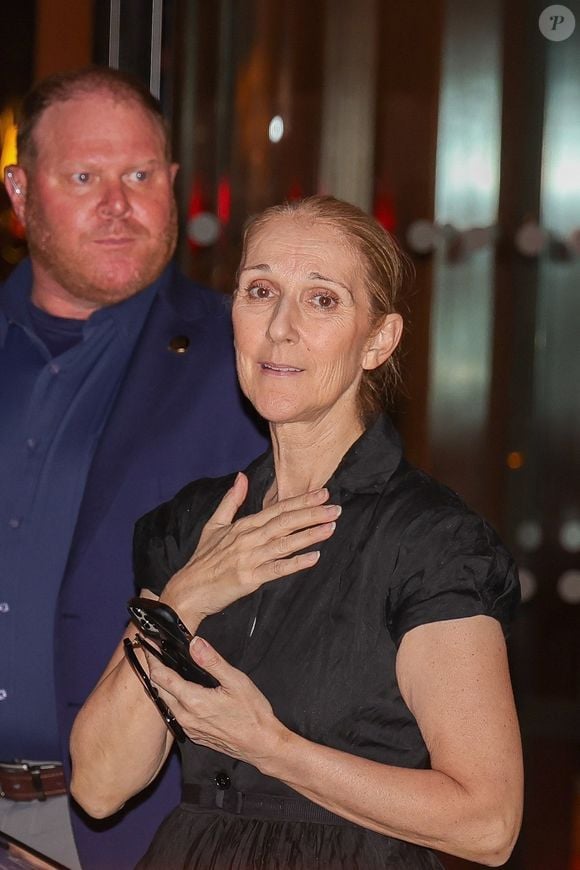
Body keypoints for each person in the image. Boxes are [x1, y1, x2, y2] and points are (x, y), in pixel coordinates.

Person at [70, 195, 524, 869]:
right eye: (260, 291)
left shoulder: (429, 540)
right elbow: (99, 787)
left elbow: (488, 824)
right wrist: (187, 594)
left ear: (378, 340)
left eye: (321, 300)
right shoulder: (192, 524)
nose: (280, 327)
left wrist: (273, 748)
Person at [0, 66, 266, 870]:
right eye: (84, 177)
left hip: (142, 833)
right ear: (20, 193)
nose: (118, 205)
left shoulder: (249, 358)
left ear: (173, 185)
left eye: (140, 175)